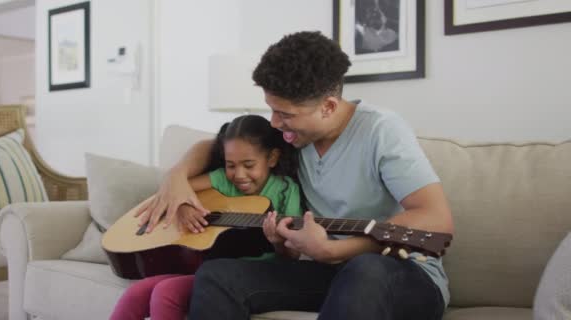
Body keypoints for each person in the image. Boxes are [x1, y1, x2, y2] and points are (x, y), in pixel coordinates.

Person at [137, 31, 454, 320]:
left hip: (403, 274)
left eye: (284, 114)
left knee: (365, 270)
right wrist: (176, 178)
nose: (274, 123)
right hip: (329, 273)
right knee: (217, 276)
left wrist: (333, 250)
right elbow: (213, 145)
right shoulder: (293, 135)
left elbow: (436, 218)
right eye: (271, 110)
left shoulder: (382, 130)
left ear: (328, 107)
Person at [110, 115, 303, 320]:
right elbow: (177, 189)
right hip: (205, 265)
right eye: (231, 165)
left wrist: (278, 242)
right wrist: (183, 205)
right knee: (134, 294)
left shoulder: (285, 190)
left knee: (165, 293)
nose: (239, 174)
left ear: (272, 158)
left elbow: (292, 256)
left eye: (248, 165)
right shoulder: (223, 180)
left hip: (248, 274)